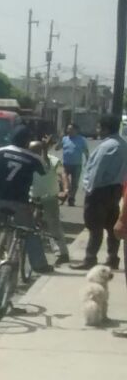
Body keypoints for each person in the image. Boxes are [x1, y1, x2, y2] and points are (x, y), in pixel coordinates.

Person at [0, 124, 51, 274]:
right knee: (30, 232)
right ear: (28, 141)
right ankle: (39, 265)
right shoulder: (33, 157)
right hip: (19, 202)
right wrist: (44, 149)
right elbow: (46, 173)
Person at [73, 115, 127, 270]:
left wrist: (89, 191)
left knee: (94, 226)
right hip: (116, 189)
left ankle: (90, 258)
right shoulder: (123, 145)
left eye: (98, 127)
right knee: (111, 226)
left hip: (99, 191)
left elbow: (96, 171)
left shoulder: (106, 147)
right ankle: (112, 258)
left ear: (105, 128)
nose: (97, 130)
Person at [29, 138, 70, 265]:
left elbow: (63, 175)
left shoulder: (53, 161)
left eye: (36, 150)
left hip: (50, 197)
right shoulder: (27, 161)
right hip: (31, 197)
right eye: (31, 150)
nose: (33, 153)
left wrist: (65, 190)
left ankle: (62, 253)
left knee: (54, 225)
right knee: (27, 225)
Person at [60, 124, 89, 206]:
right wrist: (59, 139)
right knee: (63, 180)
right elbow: (57, 148)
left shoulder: (81, 139)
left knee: (75, 183)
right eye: (68, 129)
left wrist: (88, 161)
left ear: (76, 130)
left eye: (71, 129)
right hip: (66, 164)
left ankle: (71, 198)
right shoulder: (65, 139)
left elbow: (86, 151)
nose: (69, 131)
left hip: (77, 165)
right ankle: (64, 194)